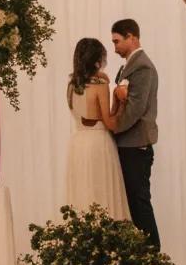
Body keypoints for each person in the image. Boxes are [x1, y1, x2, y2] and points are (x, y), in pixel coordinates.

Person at [65, 38, 131, 220]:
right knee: (102, 194)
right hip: (98, 144)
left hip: (78, 143)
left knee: (82, 195)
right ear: (97, 61)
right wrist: (120, 102)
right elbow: (110, 123)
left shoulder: (71, 85)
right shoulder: (100, 86)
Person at [110, 19, 161, 251]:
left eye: (117, 41)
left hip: (136, 144)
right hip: (127, 144)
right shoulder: (129, 65)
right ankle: (140, 253)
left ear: (132, 37)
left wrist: (112, 127)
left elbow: (136, 108)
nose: (115, 48)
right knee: (131, 201)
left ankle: (151, 253)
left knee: (139, 201)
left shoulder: (143, 66)